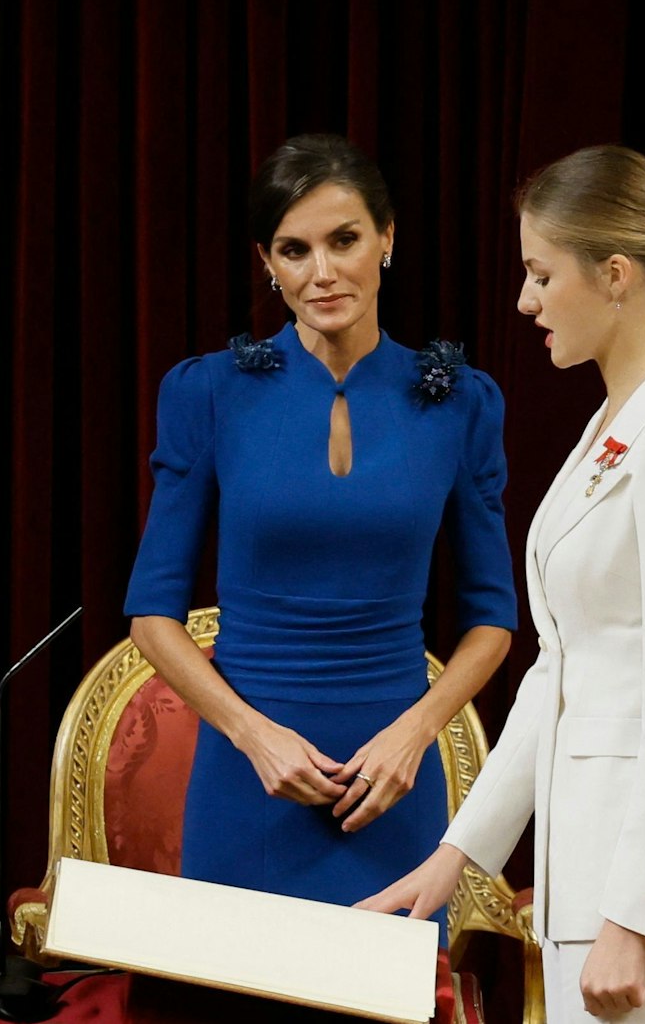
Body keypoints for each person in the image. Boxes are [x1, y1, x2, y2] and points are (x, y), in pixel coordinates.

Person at [359, 145, 645, 1021]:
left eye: (542, 273)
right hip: (591, 864)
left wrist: (631, 916)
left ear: (617, 275)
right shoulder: (611, 427)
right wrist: (454, 858)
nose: (526, 299)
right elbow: (562, 670)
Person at [122, 134, 518, 917]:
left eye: (345, 240)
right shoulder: (209, 393)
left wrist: (416, 733)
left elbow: (494, 618)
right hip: (248, 783)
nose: (323, 272)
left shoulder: (460, 403)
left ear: (388, 238)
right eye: (294, 250)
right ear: (267, 261)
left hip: (392, 787)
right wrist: (252, 735)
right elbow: (151, 615)